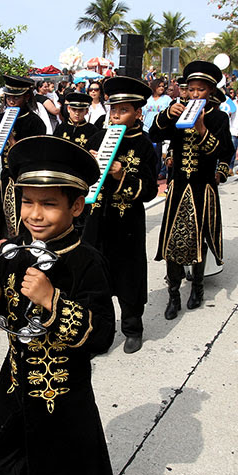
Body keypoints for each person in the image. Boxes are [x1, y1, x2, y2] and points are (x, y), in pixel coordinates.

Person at [0, 135, 115, 475]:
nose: (34, 214)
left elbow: (103, 335)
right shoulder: (11, 251)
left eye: (48, 204)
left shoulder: (86, 260)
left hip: (63, 398)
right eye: (27, 202)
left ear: (77, 206)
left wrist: (52, 301)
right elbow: (1, 316)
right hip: (14, 389)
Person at [151, 61, 233, 323]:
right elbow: (154, 133)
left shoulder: (219, 117)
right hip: (178, 187)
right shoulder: (177, 111)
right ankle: (173, 294)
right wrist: (166, 115)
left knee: (199, 238)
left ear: (209, 90)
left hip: (202, 187)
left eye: (201, 89)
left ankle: (197, 286)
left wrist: (201, 128)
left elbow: (220, 151)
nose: (195, 94)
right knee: (172, 240)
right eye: (191, 89)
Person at [83, 76, 158, 354]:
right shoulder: (100, 137)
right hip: (97, 219)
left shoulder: (144, 145)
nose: (116, 116)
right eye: (113, 110)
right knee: (94, 279)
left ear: (138, 113)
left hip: (127, 224)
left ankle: (132, 329)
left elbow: (149, 190)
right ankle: (99, 334)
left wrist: (120, 173)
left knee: (128, 277)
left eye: (123, 110)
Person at [0, 75, 47, 242]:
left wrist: (13, 142)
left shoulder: (35, 122)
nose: (11, 101)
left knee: (29, 218)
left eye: (16, 97)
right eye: (8, 97)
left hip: (27, 178)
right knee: (9, 217)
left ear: (26, 97)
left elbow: (39, 154)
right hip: (7, 177)